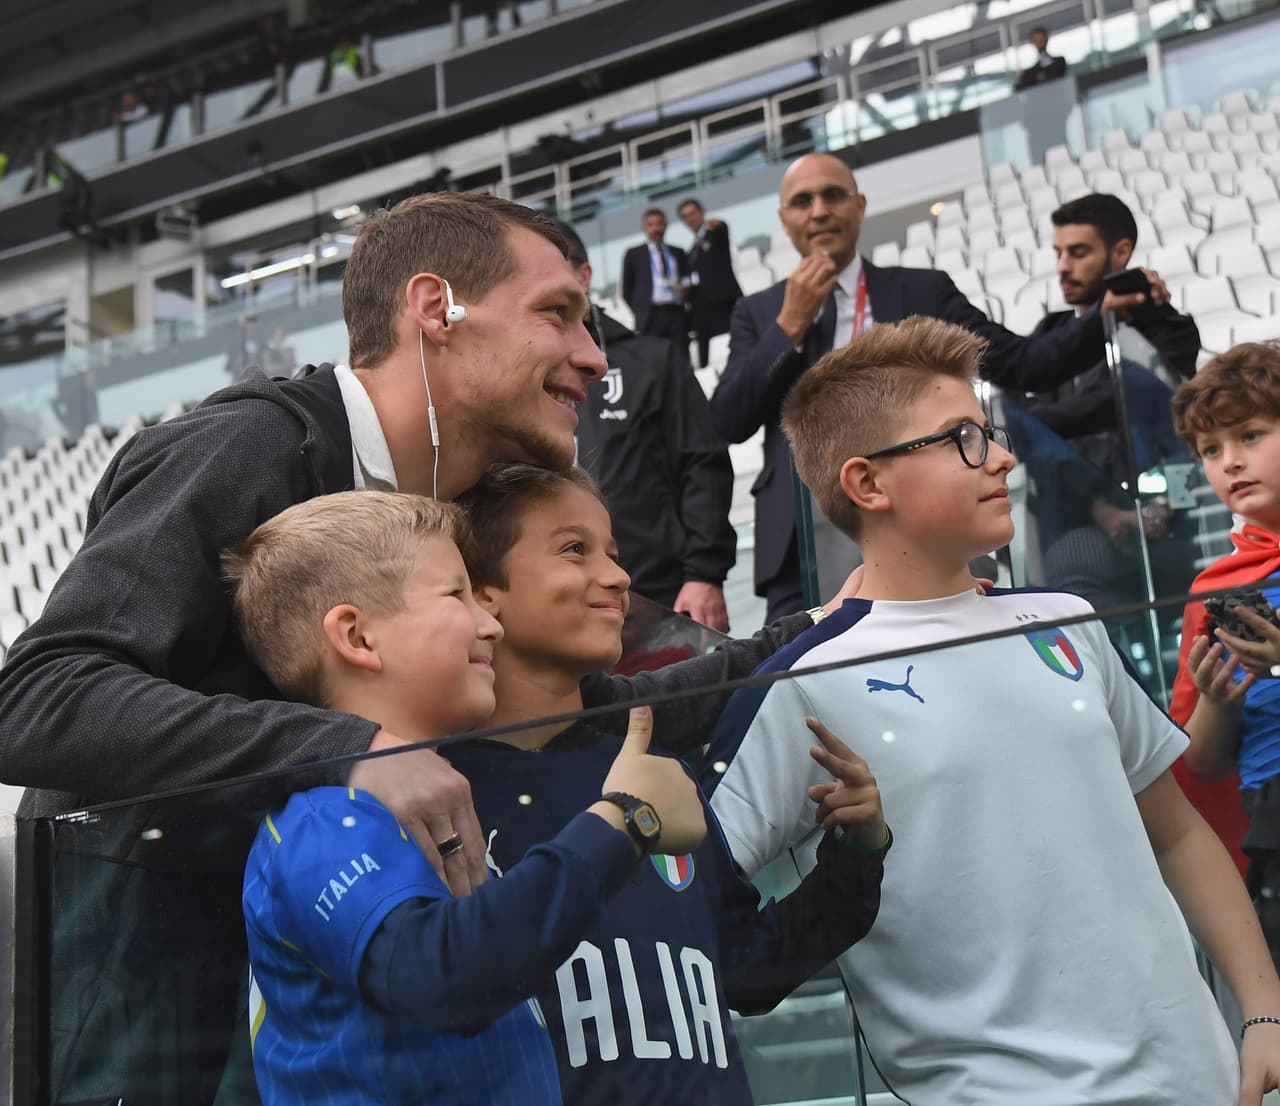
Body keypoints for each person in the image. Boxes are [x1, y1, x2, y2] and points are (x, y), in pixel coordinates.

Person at [0, 186, 855, 1104]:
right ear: (433, 308)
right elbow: (35, 695)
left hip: (313, 975)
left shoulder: (454, 506)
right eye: (558, 315)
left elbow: (580, 697)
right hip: (147, 983)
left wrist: (819, 626)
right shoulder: (246, 444)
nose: (594, 355)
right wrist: (351, 751)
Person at [703, 316, 1280, 1104]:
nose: (1003, 457)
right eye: (964, 439)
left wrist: (1264, 1010)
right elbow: (701, 913)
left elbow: (1177, 832)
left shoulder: (1067, 620)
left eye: (992, 432)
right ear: (868, 484)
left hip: (1199, 1078)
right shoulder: (802, 683)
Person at [230, 490, 708, 1106]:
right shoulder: (322, 820)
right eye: (455, 594)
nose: (490, 622)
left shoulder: (402, 806)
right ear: (357, 636)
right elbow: (439, 975)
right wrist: (624, 821)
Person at [453, 461, 889, 1104]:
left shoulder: (662, 773)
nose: (619, 575)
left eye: (614, 552)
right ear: (482, 592)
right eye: (575, 549)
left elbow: (749, 971)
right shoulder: (439, 798)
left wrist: (855, 855)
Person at [709, 152, 1159, 621]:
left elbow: (1020, 364)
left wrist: (1103, 311)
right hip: (802, 541)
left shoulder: (921, 291)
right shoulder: (758, 312)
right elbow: (728, 420)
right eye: (803, 201)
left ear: (860, 206)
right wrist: (789, 324)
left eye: (833, 195)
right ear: (785, 221)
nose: (820, 210)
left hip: (931, 524)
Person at [1008, 192, 1201, 617]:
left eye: (1078, 253)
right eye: (1058, 253)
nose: (1062, 266)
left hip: (1161, 528)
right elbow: (1027, 433)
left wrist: (1158, 509)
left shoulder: (1165, 332)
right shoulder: (1047, 336)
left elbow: (1177, 433)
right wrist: (1099, 506)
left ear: (1121, 252)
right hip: (1075, 527)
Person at [558, 219, 735, 631]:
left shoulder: (653, 360)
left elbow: (701, 464)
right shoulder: (509, 379)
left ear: (584, 275)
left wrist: (704, 573)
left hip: (665, 592)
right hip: (557, 605)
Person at [1171, 341, 1280, 971]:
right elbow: (1204, 765)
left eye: (1250, 434)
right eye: (1210, 450)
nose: (1229, 463)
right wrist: (1217, 700)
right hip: (1270, 826)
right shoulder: (1214, 591)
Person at [677, 198, 742, 368]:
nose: (690, 218)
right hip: (702, 310)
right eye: (686, 217)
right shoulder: (691, 252)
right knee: (707, 358)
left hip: (724, 302)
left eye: (693, 213)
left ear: (701, 212)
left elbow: (721, 229)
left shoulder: (713, 232)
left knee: (739, 347)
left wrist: (718, 224)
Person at [621, 208, 689, 345]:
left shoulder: (678, 252)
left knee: (681, 357)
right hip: (650, 315)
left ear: (665, 225)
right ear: (645, 228)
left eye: (659, 224)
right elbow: (627, 290)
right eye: (650, 225)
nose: (655, 229)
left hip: (676, 312)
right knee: (654, 359)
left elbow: (685, 278)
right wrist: (640, 309)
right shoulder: (634, 254)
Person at [1013, 26, 1067, 91]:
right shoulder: (1029, 73)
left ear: (1046, 40)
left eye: (1041, 40)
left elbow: (1057, 75)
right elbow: (1018, 88)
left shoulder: (1059, 62)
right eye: (1036, 40)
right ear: (1033, 43)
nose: (1040, 43)